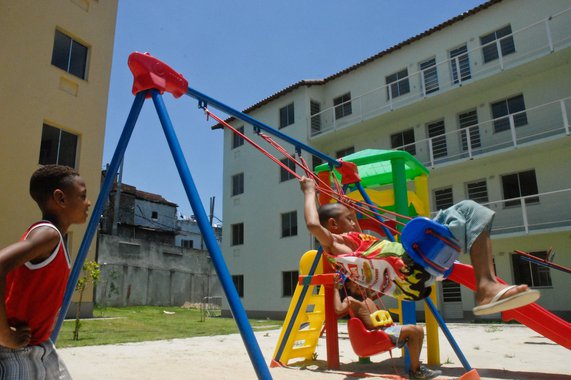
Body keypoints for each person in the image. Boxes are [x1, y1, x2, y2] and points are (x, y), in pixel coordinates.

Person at [299, 176, 540, 316]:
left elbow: (359, 240)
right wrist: (309, 192)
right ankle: (486, 288)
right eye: (350, 219)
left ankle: (488, 287)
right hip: (410, 267)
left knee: (464, 216)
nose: (356, 222)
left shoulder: (356, 246)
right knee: (468, 209)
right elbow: (312, 224)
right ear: (333, 224)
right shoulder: (335, 245)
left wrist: (345, 205)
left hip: (414, 274)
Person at [0, 165, 91, 379]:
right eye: (83, 196)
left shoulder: (53, 237)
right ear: (60, 199)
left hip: (42, 347)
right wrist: (4, 334)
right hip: (17, 351)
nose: (88, 203)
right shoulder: (47, 235)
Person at [334, 277, 441, 379]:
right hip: (376, 335)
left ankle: (416, 367)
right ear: (347, 285)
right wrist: (335, 288)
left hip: (385, 329)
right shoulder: (350, 299)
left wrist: (368, 281)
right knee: (412, 331)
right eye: (355, 282)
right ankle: (416, 371)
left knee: (419, 329)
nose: (359, 285)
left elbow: (367, 287)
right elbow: (338, 309)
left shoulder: (366, 297)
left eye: (361, 282)